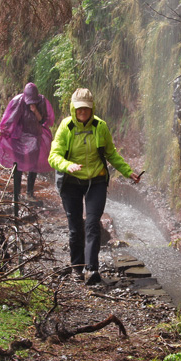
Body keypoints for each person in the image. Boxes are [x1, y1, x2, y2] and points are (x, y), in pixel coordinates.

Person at [48, 88, 141, 285]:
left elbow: (111, 154)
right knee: (75, 228)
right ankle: (76, 268)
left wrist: (127, 171)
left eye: (86, 110)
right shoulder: (66, 127)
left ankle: (92, 269)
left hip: (95, 181)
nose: (83, 113)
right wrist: (67, 165)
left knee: (92, 224)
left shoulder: (100, 127)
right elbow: (53, 156)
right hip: (71, 182)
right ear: (74, 108)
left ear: (92, 109)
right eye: (79, 109)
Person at [0, 82, 55, 200]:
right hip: (19, 138)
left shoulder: (41, 101)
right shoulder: (18, 101)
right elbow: (10, 119)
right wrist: (1, 131)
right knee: (18, 165)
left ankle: (29, 193)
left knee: (33, 166)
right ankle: (16, 194)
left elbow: (43, 121)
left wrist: (35, 110)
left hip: (35, 136)